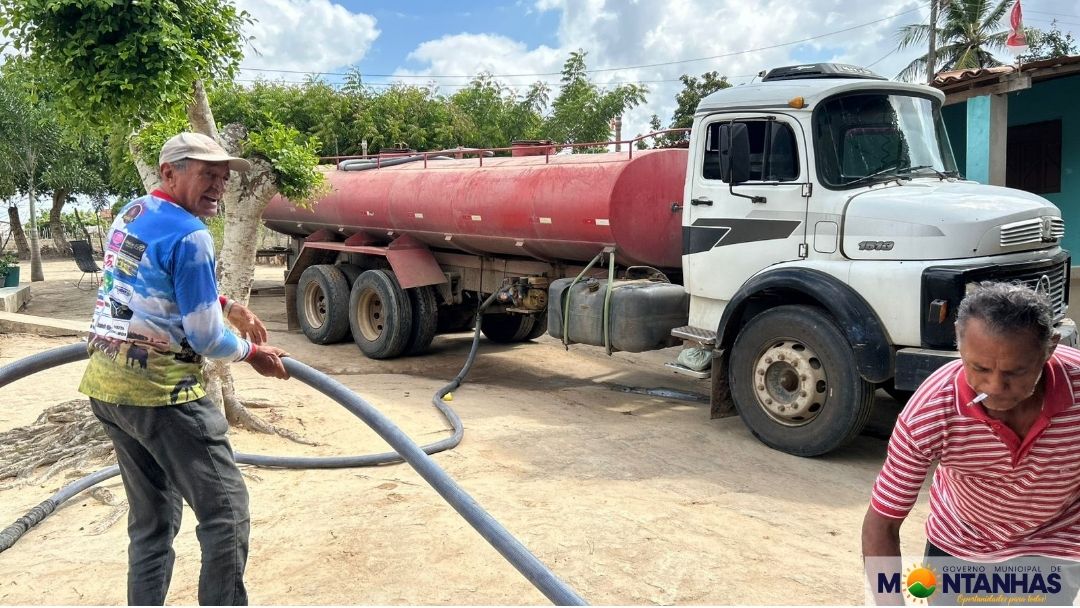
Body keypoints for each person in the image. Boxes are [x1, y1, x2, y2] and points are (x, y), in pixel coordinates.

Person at [79, 132, 290, 605]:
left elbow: (150, 278)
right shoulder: (192, 234)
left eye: (222, 177)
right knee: (227, 513)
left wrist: (227, 303)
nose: (217, 186)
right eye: (206, 174)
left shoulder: (134, 212)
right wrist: (253, 354)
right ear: (170, 172)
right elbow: (205, 338)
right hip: (163, 395)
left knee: (152, 522)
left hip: (107, 388)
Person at [862, 281, 1080, 604]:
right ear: (959, 344)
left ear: (1050, 348)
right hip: (961, 541)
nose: (995, 386)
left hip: (1054, 541)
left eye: (1015, 372)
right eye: (979, 368)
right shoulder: (932, 411)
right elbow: (882, 523)